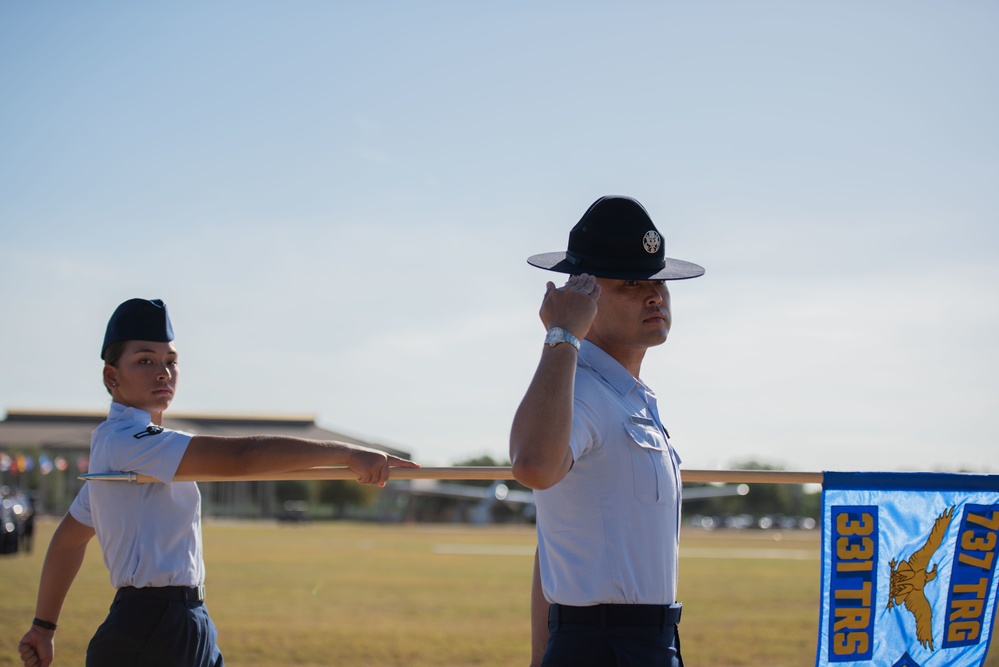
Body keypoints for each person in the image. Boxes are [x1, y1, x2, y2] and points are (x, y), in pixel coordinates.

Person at [18, 298, 420, 667]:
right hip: (152, 628)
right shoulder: (127, 441)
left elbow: (69, 538)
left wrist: (43, 626)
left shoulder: (126, 449)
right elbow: (242, 458)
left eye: (171, 361)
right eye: (144, 361)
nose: (163, 372)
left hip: (186, 620)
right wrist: (348, 454)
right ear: (112, 376)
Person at [509, 195, 704, 667]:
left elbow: (557, 544)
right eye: (632, 284)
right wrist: (562, 335)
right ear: (586, 294)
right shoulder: (582, 393)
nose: (654, 295)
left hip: (651, 641)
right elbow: (533, 464)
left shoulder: (628, 396)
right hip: (601, 648)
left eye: (658, 281)